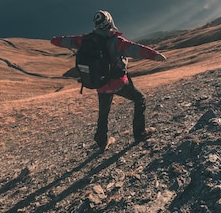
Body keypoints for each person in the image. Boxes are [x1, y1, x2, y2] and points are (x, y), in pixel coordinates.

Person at [51, 10, 166, 151]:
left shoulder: (86, 39)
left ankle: (102, 142)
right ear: (110, 22)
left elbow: (67, 40)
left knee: (103, 113)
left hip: (100, 83)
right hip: (119, 83)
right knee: (139, 99)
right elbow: (135, 49)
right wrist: (155, 55)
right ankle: (139, 133)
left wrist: (54, 40)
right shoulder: (116, 42)